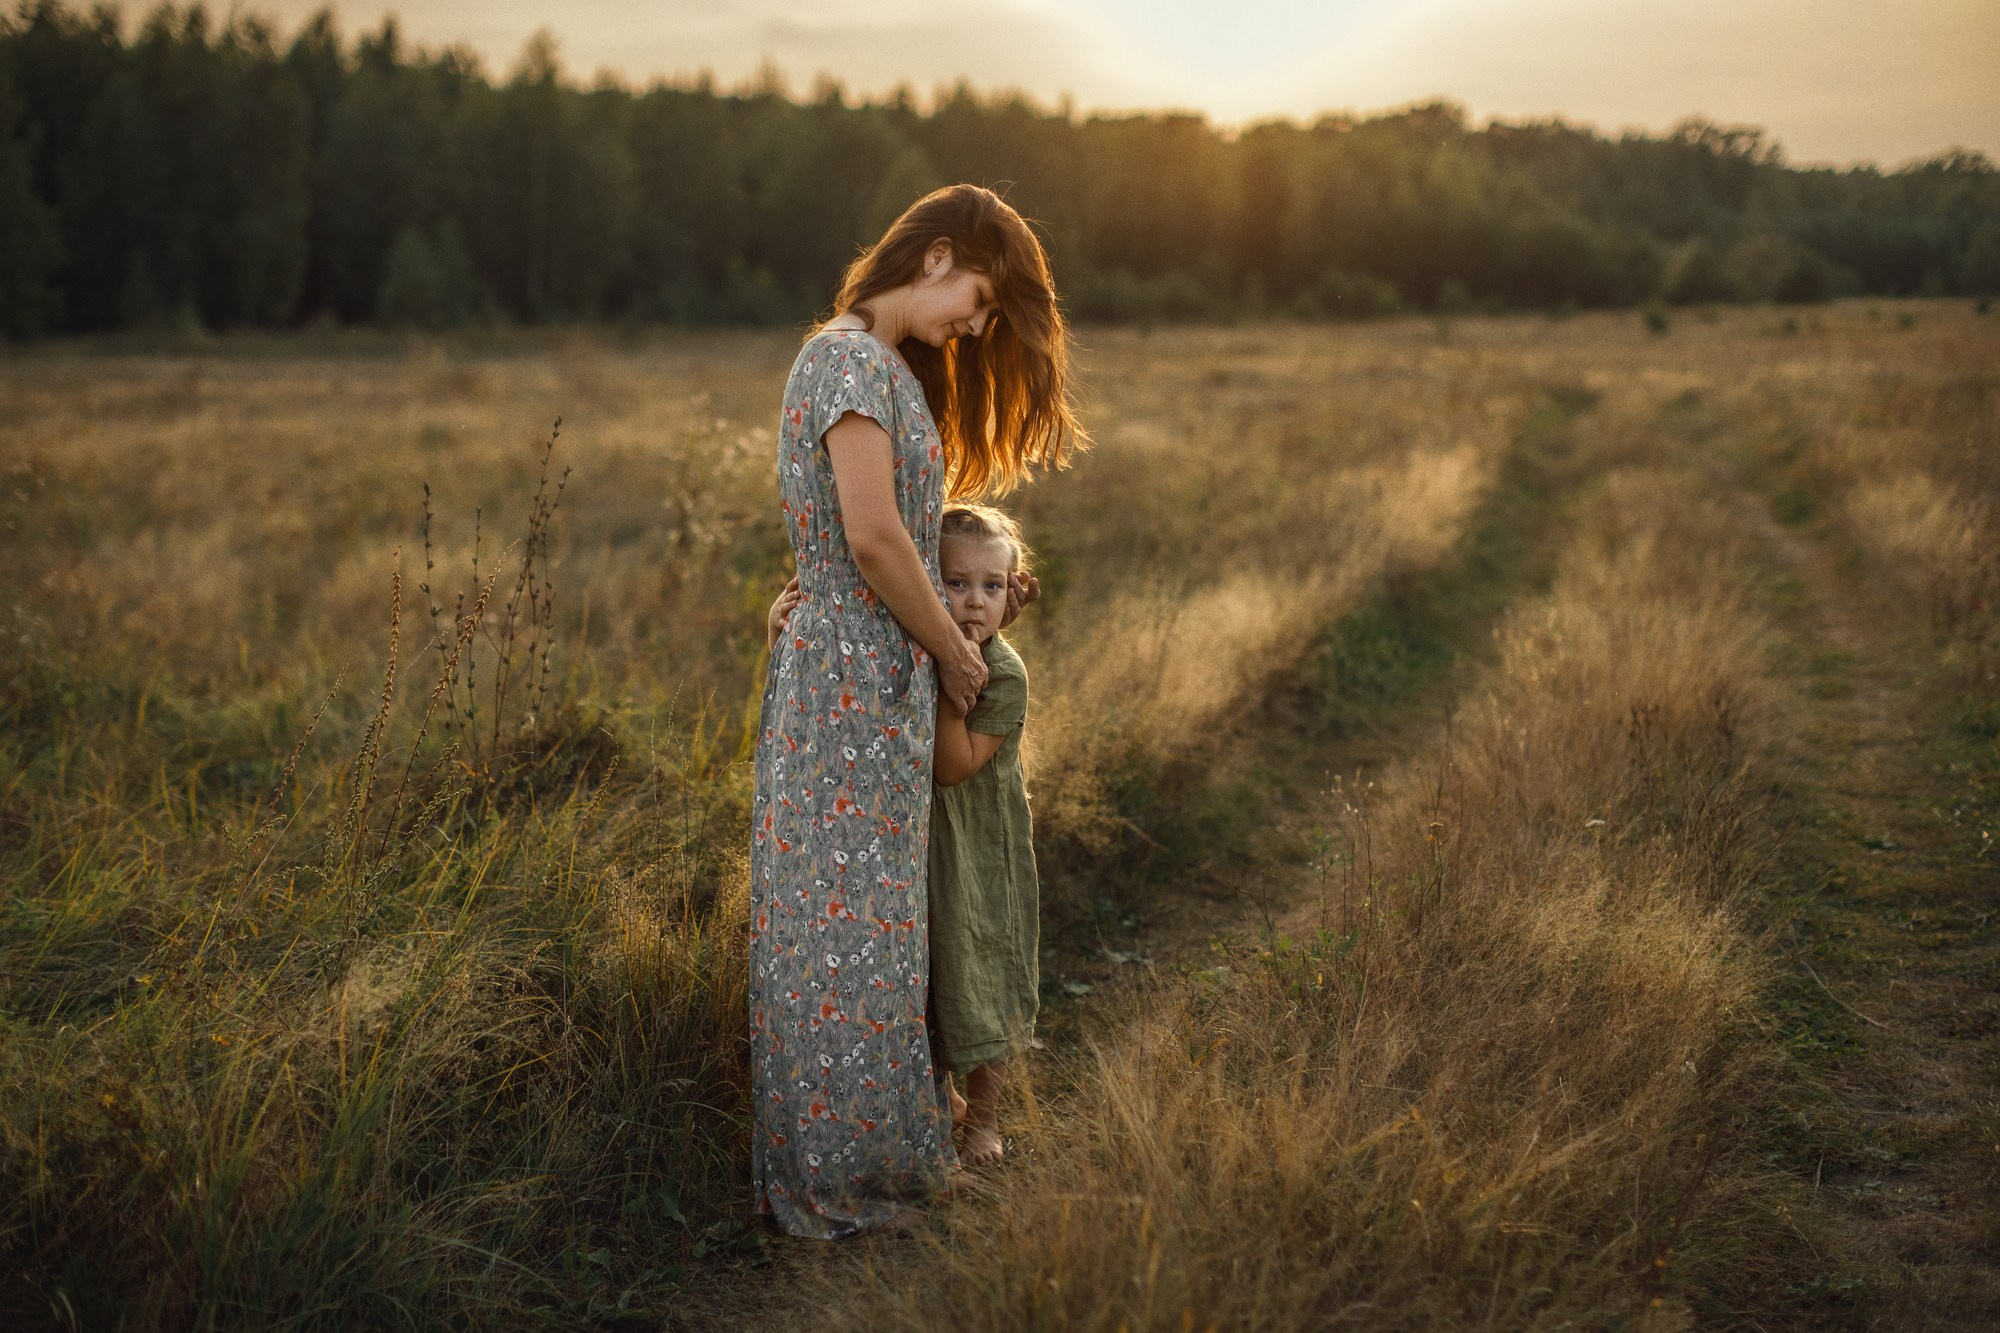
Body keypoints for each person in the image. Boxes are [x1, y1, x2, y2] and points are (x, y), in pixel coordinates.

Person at [748, 184, 1081, 1239]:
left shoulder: (879, 368)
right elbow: (874, 539)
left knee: (875, 930)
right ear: (934, 257)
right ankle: (845, 1170)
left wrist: (959, 625)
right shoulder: (846, 358)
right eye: (978, 302)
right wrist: (948, 648)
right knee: (834, 930)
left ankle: (894, 1147)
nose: (974, 328)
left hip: (866, 675)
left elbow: (888, 543)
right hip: (851, 682)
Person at [927, 504, 1041, 1169]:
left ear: (1012, 592)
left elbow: (953, 766)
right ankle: (941, 1101)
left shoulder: (1003, 673)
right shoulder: (918, 645)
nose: (974, 602)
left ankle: (986, 1118)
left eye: (991, 587)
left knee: (986, 963)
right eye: (955, 583)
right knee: (936, 972)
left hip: (980, 848)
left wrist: (951, 675)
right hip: (926, 850)